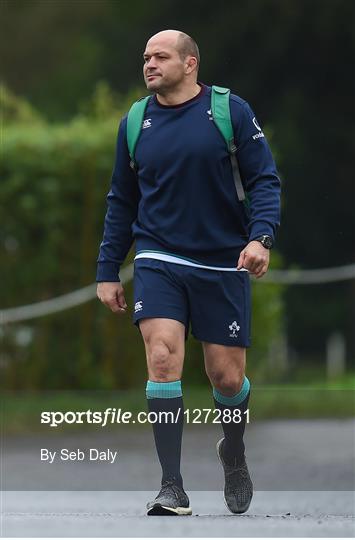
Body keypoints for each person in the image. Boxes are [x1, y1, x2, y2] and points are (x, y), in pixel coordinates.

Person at [96, 29, 281, 516]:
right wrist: (107, 269)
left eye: (161, 56)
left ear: (190, 63)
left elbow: (264, 179)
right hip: (159, 256)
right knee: (161, 357)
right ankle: (171, 486)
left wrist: (260, 238)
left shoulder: (229, 112)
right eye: (145, 57)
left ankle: (234, 449)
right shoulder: (135, 121)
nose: (150, 64)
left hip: (223, 260)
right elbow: (121, 199)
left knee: (225, 377)